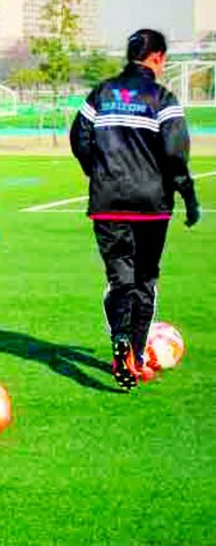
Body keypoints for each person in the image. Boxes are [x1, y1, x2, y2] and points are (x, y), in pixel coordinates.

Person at [70, 28, 200, 390]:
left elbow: (78, 137)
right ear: (157, 57)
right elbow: (176, 153)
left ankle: (120, 347)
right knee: (144, 280)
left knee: (120, 281)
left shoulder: (101, 94)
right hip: (151, 205)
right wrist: (188, 196)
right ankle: (137, 357)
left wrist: (97, 172)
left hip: (108, 203)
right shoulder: (162, 97)